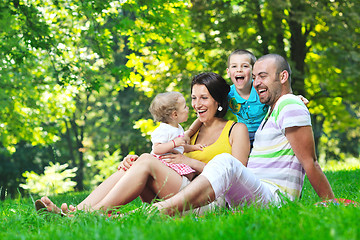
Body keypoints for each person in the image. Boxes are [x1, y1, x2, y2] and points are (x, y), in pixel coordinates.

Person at [35, 72, 250, 216]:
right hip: (179, 191)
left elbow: (238, 177)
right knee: (134, 164)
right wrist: (134, 164)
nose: (196, 105)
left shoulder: (235, 129)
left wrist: (189, 162)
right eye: (193, 98)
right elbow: (171, 160)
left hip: (210, 201)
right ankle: (75, 212)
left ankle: (89, 215)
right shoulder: (191, 131)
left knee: (146, 161)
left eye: (204, 98)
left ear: (218, 101)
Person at [153, 54, 335, 215]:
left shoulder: (289, 104)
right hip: (255, 190)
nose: (256, 83)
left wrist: (330, 202)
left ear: (283, 77)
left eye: (263, 76)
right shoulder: (270, 113)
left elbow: (310, 161)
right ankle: (157, 212)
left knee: (225, 160)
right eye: (255, 77)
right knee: (223, 163)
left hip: (275, 199)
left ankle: (156, 211)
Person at [188, 49, 308, 148]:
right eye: (234, 66)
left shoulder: (260, 90)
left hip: (266, 134)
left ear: (253, 72)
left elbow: (278, 98)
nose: (239, 69)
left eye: (244, 66)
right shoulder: (228, 94)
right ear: (229, 72)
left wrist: (295, 99)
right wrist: (189, 132)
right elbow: (208, 112)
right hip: (243, 136)